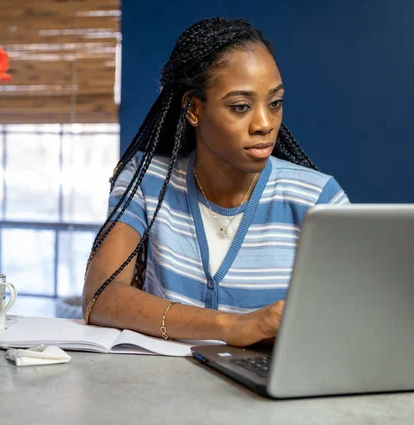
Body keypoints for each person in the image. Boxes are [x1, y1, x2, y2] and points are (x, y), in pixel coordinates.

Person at [82, 17, 349, 347]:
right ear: (194, 109)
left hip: (271, 394)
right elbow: (101, 297)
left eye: (275, 103)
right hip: (161, 391)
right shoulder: (149, 181)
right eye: (241, 106)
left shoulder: (318, 199)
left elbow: (355, 321)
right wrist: (230, 326)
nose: (265, 123)